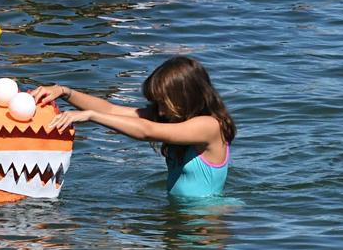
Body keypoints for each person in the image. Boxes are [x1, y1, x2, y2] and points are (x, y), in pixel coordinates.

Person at [30, 56, 234, 199]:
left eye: (165, 103)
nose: (160, 112)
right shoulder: (173, 118)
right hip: (180, 218)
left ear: (187, 97)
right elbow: (110, 109)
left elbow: (147, 131)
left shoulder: (209, 126)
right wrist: (65, 92)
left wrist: (91, 117)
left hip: (205, 222)